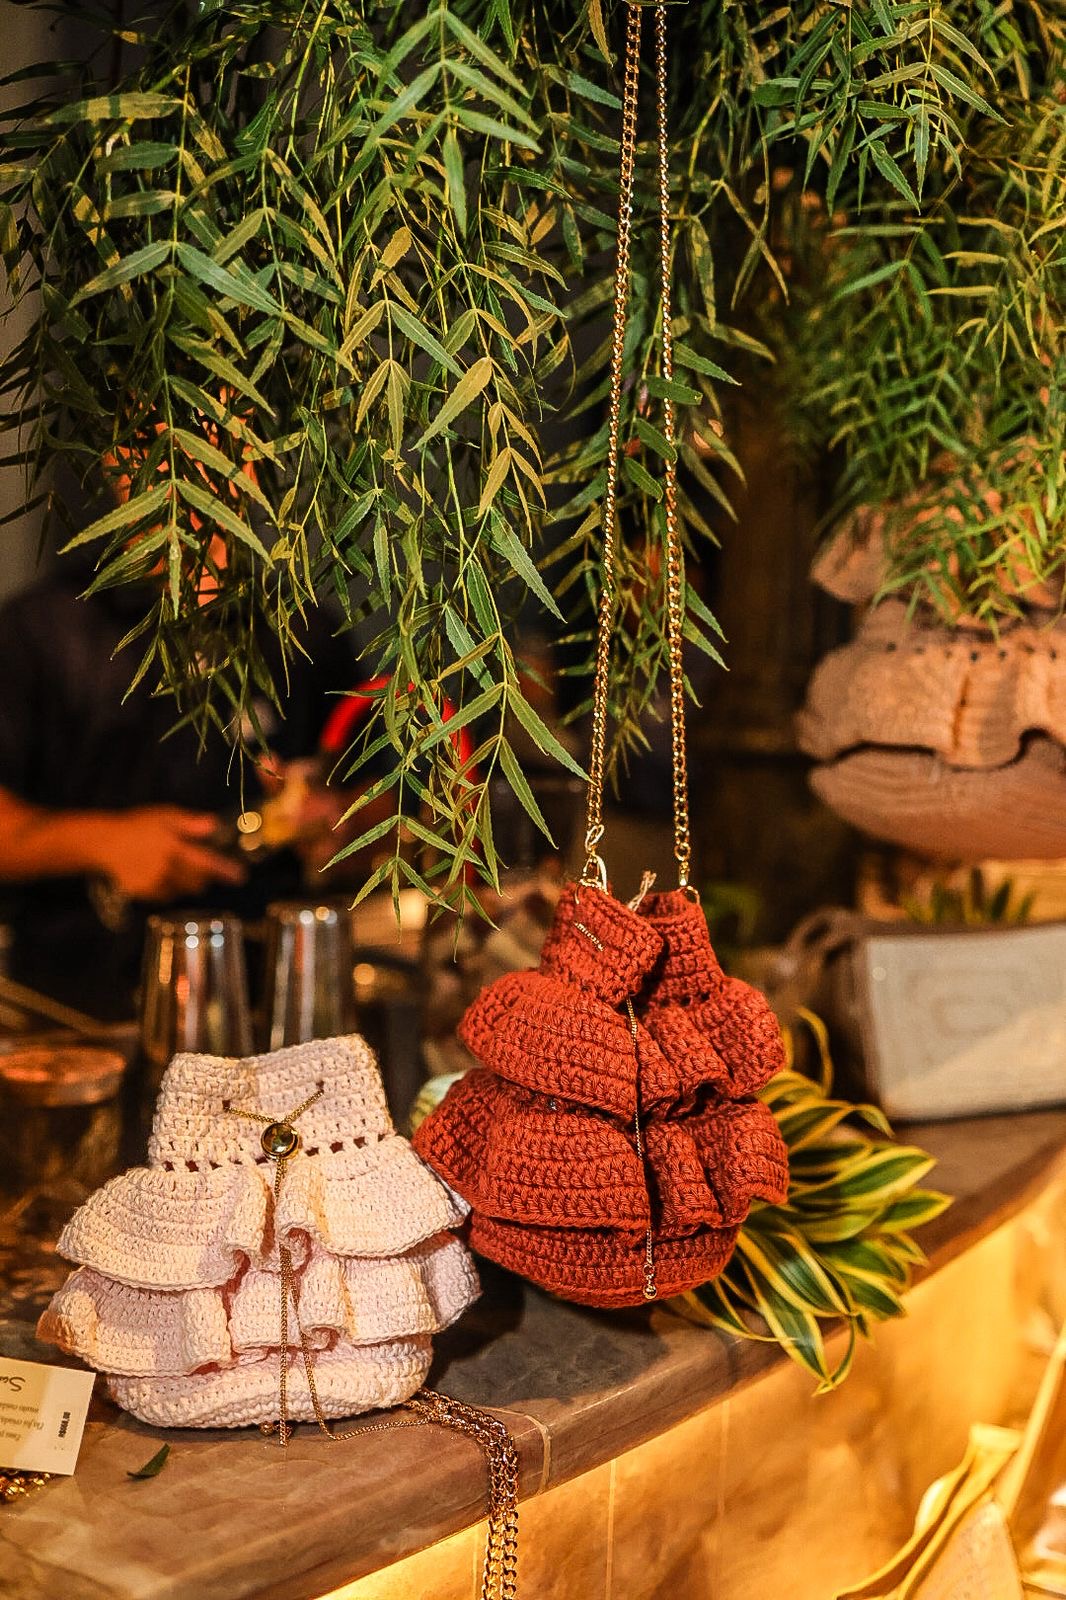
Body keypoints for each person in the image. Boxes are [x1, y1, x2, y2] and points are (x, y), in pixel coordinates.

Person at [0, 560, 358, 1018]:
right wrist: (101, 841)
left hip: (276, 993)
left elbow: (380, 797)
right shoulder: (40, 630)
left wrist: (337, 817)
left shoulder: (302, 626)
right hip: (79, 1007)